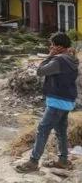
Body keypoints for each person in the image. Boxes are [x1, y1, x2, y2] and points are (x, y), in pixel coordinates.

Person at [16, 33, 79, 173]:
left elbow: (40, 71)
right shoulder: (72, 58)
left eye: (52, 45)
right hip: (67, 100)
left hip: (57, 101)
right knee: (60, 131)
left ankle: (33, 162)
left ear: (59, 47)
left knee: (43, 129)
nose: (50, 47)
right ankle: (63, 160)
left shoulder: (59, 60)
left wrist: (50, 55)